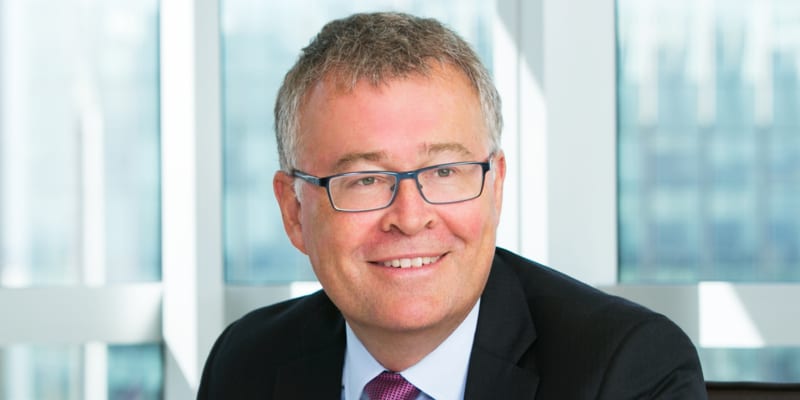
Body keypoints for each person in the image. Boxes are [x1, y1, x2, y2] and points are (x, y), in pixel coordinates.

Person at [198, 11, 706, 399]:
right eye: (366, 180)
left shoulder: (626, 372)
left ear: (496, 187)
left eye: (443, 172)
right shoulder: (246, 364)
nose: (410, 217)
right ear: (293, 212)